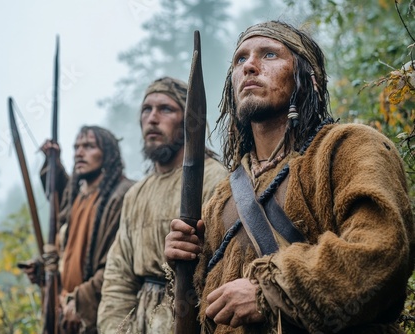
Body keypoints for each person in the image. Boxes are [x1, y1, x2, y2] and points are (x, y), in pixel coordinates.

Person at [165, 20, 414, 333]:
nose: (249, 67)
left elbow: (382, 254)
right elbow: (207, 312)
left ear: (307, 78)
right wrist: (186, 265)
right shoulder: (221, 197)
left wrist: (269, 291)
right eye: (240, 59)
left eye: (269, 55)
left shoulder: (350, 148)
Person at [97, 77, 228, 333]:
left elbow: (222, 269)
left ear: (187, 120)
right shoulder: (136, 194)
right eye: (147, 109)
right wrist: (116, 329)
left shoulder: (217, 179)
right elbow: (118, 276)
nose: (153, 118)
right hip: (140, 322)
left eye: (166, 109)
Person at [21, 125, 134, 334]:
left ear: (107, 154)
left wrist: (81, 301)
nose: (79, 153)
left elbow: (117, 265)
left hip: (97, 313)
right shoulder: (76, 194)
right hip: (64, 309)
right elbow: (65, 247)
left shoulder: (123, 196)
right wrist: (42, 267)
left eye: (89, 146)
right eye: (76, 147)